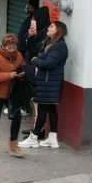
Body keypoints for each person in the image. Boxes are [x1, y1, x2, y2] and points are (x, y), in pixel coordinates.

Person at [0, 33, 27, 157]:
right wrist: (9, 75)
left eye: (14, 47)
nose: (12, 50)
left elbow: (22, 67)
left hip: (13, 93)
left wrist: (21, 73)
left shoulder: (18, 56)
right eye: (9, 47)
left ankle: (13, 145)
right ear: (3, 46)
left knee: (17, 117)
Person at [29, 20, 68, 149]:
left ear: (58, 30)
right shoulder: (48, 42)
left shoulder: (60, 46)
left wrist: (35, 61)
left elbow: (49, 63)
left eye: (51, 27)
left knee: (42, 110)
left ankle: (33, 138)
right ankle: (52, 138)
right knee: (51, 109)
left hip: (50, 82)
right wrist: (31, 36)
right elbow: (34, 49)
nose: (48, 28)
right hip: (47, 82)